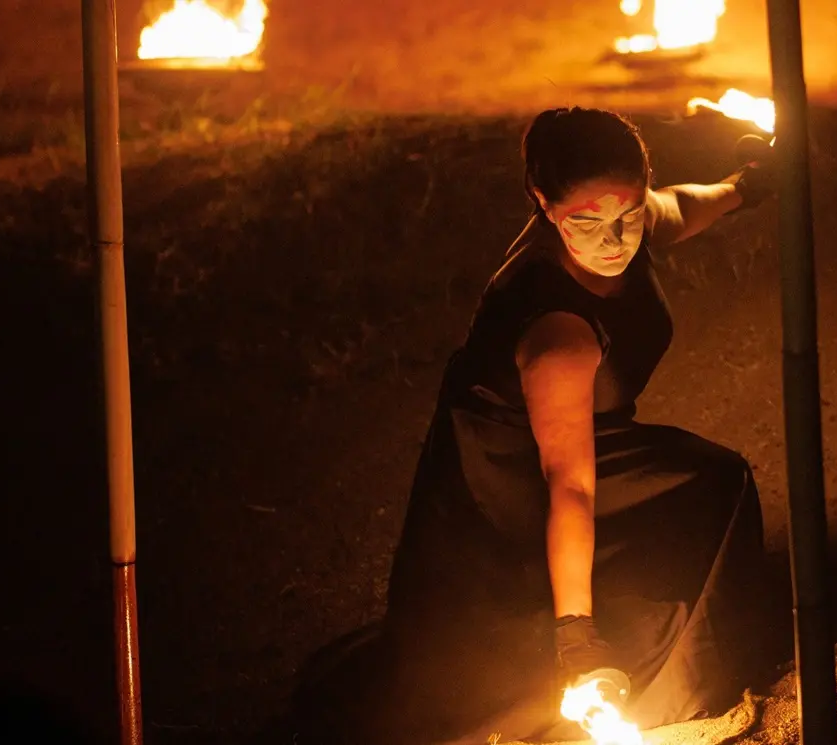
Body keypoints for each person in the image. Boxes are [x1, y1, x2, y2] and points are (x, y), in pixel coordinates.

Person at [300, 106, 775, 745]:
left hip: (588, 434)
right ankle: (641, 670)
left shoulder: (625, 217)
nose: (615, 239)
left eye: (628, 215)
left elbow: (677, 209)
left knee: (715, 484)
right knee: (702, 492)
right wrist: (578, 638)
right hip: (507, 474)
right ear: (543, 204)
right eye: (589, 222)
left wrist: (749, 185)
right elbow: (569, 484)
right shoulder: (557, 332)